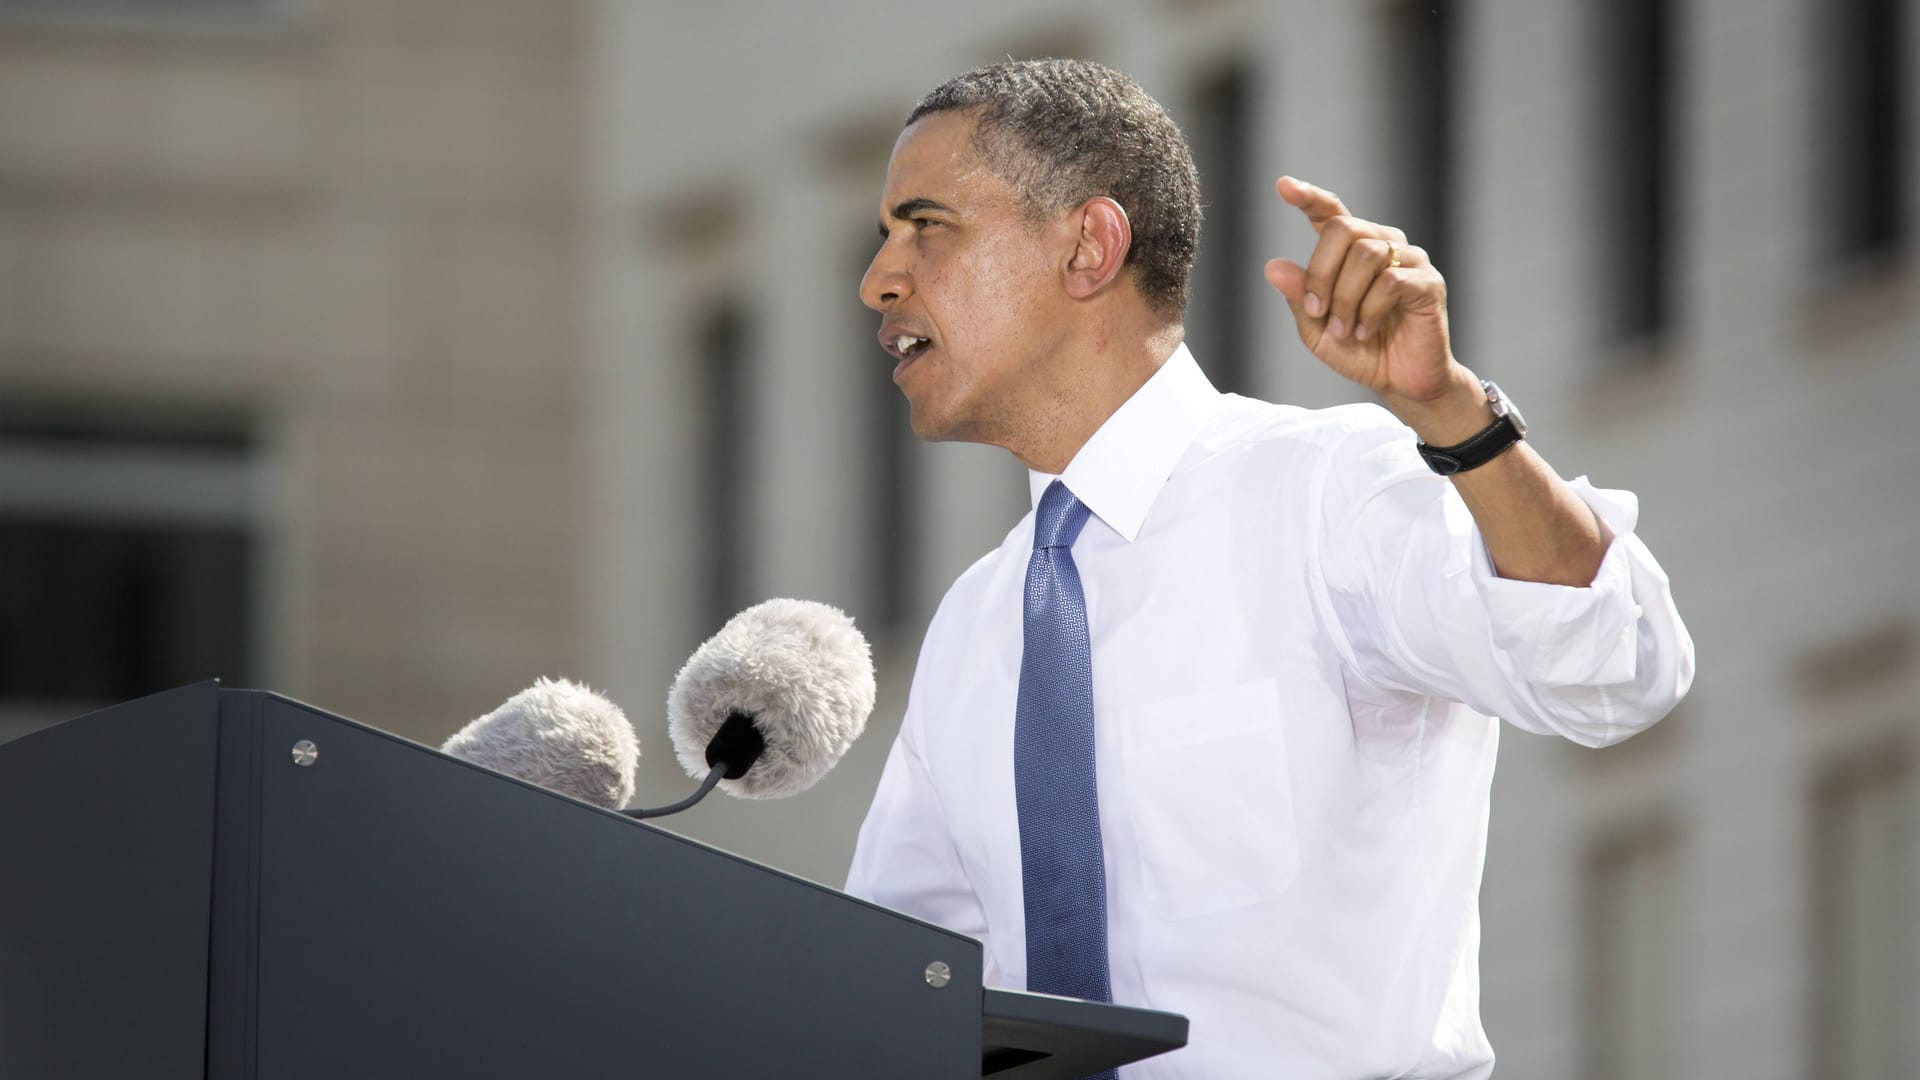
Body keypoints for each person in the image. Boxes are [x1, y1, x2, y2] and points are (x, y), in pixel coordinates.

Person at [843, 58, 1693, 1079]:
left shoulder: (1328, 493)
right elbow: (890, 994)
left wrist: (1452, 418)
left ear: (1088, 246)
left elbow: (1618, 664)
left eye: (924, 225)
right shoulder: (977, 625)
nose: (879, 280)